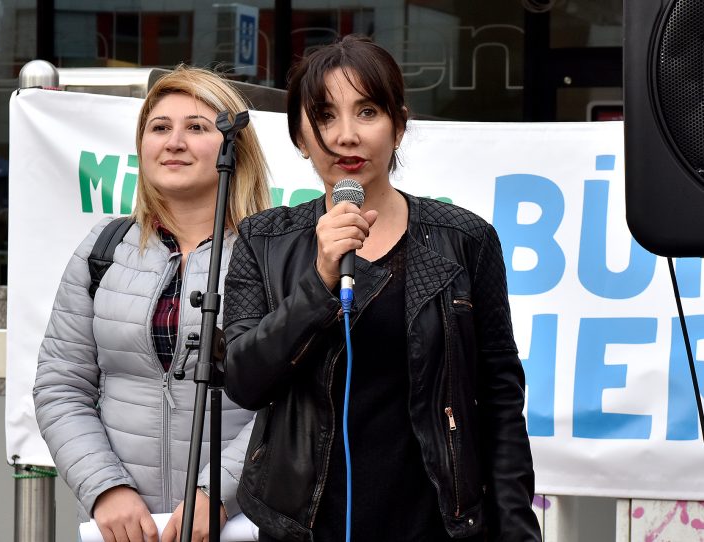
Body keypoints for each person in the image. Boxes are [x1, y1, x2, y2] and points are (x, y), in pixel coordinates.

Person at [222, 35, 542, 542]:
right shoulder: (263, 240)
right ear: (300, 139)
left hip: (434, 523)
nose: (347, 136)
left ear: (399, 126)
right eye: (325, 116)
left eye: (367, 111)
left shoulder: (464, 239)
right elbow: (243, 379)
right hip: (305, 526)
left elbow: (500, 399)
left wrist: (518, 532)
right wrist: (320, 280)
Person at [33, 65, 271, 542]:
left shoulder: (274, 256)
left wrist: (215, 496)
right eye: (160, 127)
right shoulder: (103, 248)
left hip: (237, 523)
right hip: (124, 528)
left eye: (197, 127)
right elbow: (61, 387)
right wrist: (106, 490)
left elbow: (290, 401)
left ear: (234, 148)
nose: (174, 141)